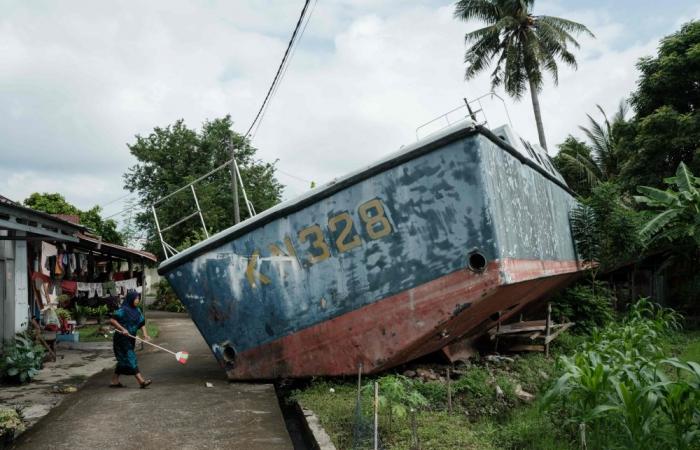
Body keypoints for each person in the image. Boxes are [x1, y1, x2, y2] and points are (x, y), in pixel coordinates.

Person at [109, 290, 152, 388]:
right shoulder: (123, 310)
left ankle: (114, 381)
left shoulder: (137, 310)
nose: (137, 300)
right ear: (130, 299)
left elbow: (141, 323)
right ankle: (141, 381)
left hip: (130, 339)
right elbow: (112, 320)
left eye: (138, 298)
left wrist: (145, 335)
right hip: (121, 339)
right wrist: (123, 329)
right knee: (130, 358)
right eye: (136, 298)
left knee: (123, 360)